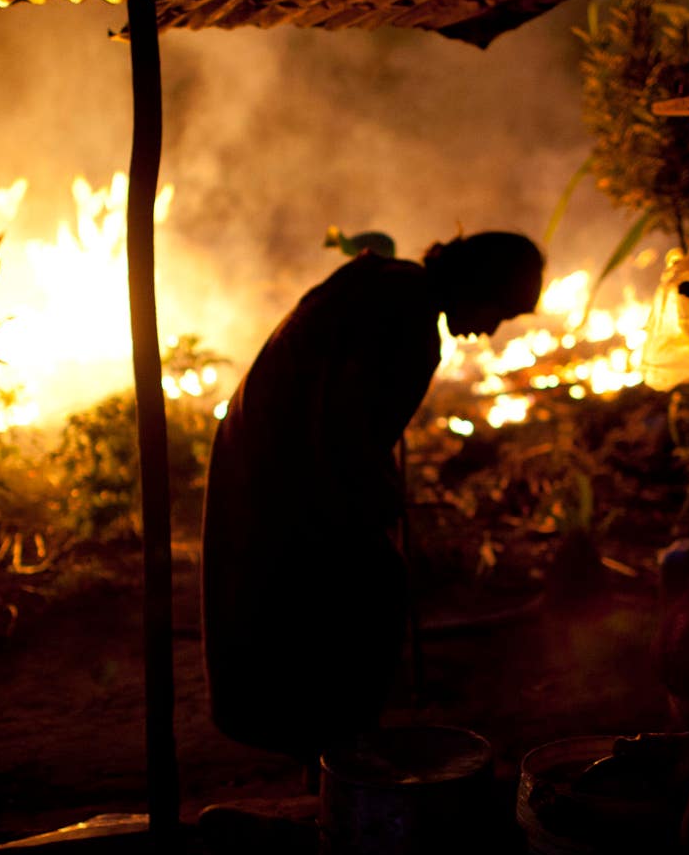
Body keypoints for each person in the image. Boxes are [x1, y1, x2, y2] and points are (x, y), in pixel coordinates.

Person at [200, 231, 544, 761]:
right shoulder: (405, 317)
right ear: (477, 282)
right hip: (286, 466)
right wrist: (372, 501)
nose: (490, 331)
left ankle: (330, 751)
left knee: (329, 599)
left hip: (269, 455)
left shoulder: (392, 285)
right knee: (360, 597)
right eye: (498, 310)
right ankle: (343, 757)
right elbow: (342, 426)